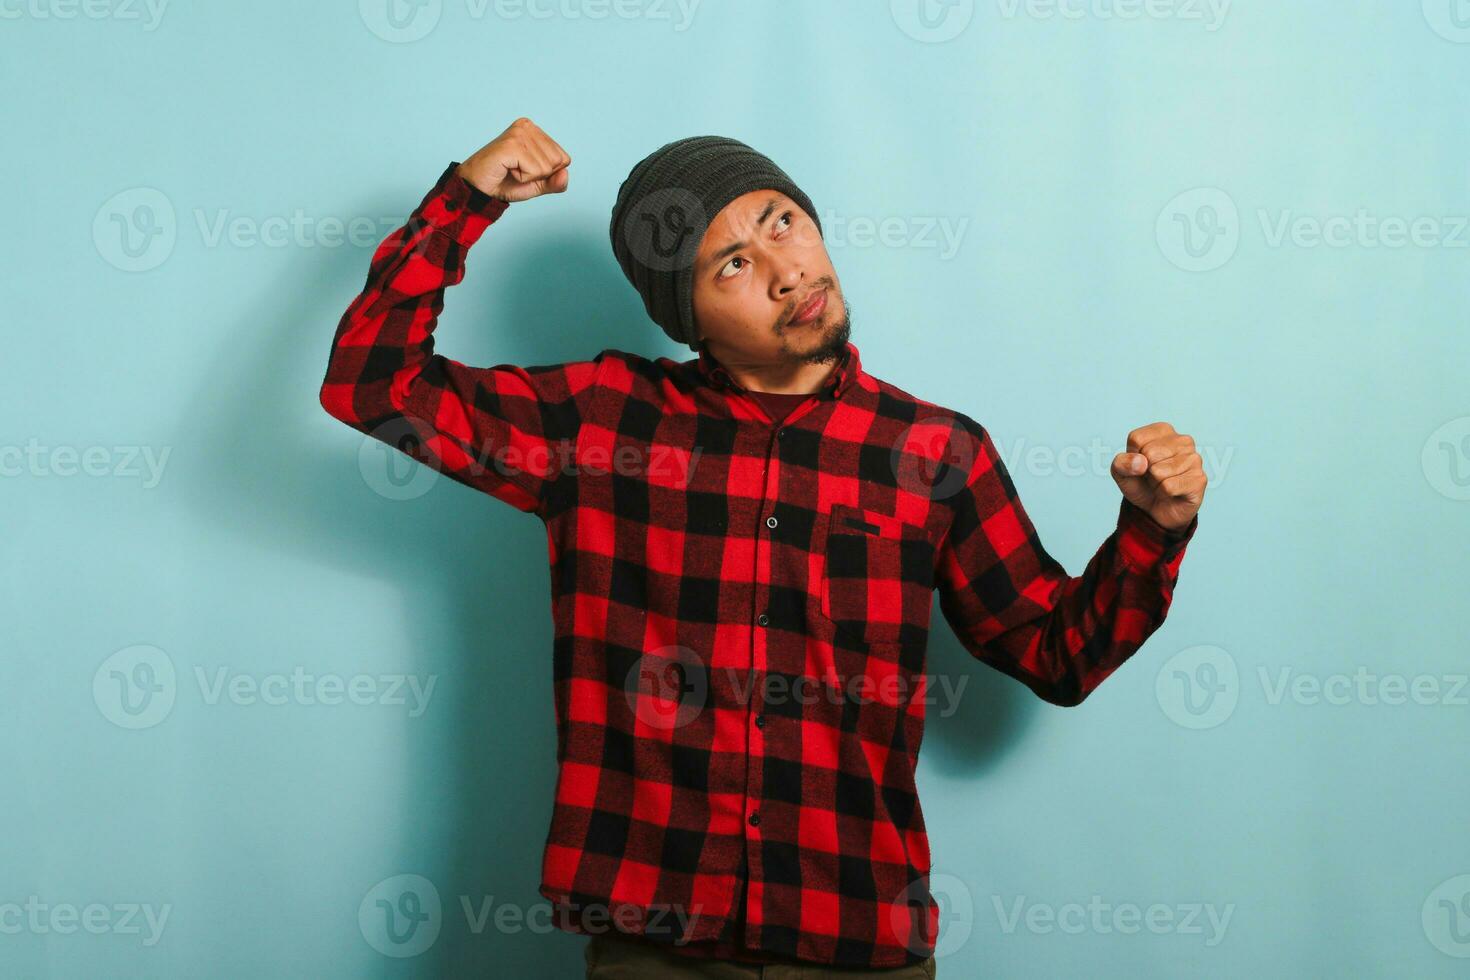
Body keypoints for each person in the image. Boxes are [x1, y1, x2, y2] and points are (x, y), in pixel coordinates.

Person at [318, 117, 1205, 978]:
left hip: (859, 941)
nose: (786, 273)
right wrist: (466, 201)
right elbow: (371, 382)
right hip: (653, 947)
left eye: (782, 221)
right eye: (732, 263)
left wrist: (1152, 532)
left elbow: (1058, 653)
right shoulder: (598, 424)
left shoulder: (936, 453)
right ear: (686, 317)